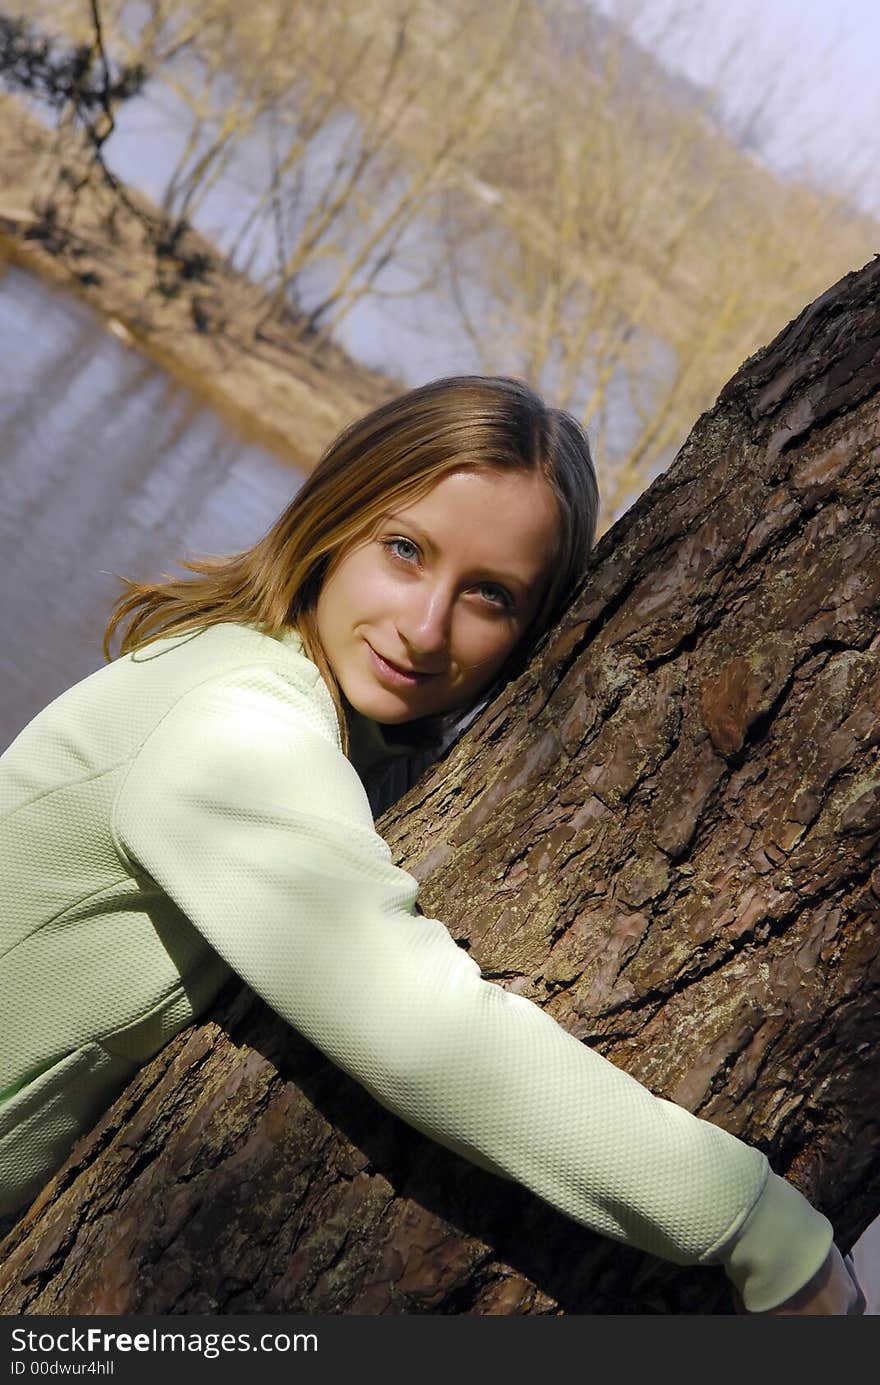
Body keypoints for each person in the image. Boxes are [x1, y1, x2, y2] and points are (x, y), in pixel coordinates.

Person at [0, 375, 865, 1314]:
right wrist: (760, 1228)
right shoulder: (234, 733)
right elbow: (424, 1030)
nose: (423, 627)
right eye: (404, 550)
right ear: (336, 518)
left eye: (488, 595)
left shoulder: (362, 741)